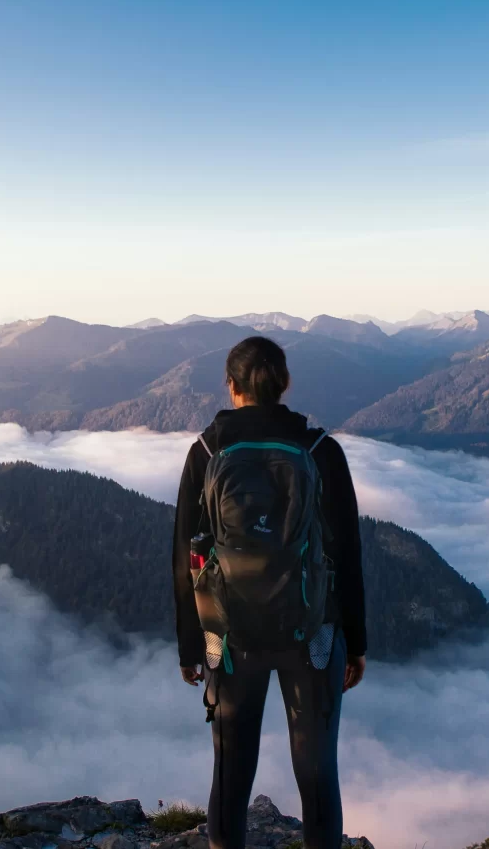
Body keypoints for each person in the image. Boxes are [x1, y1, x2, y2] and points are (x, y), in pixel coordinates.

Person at [173, 336, 367, 849]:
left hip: (229, 637)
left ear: (230, 386)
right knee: (317, 771)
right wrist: (358, 641)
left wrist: (192, 646)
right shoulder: (321, 451)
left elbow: (185, 555)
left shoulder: (207, 451)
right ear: (285, 385)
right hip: (313, 635)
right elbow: (346, 550)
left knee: (231, 773)